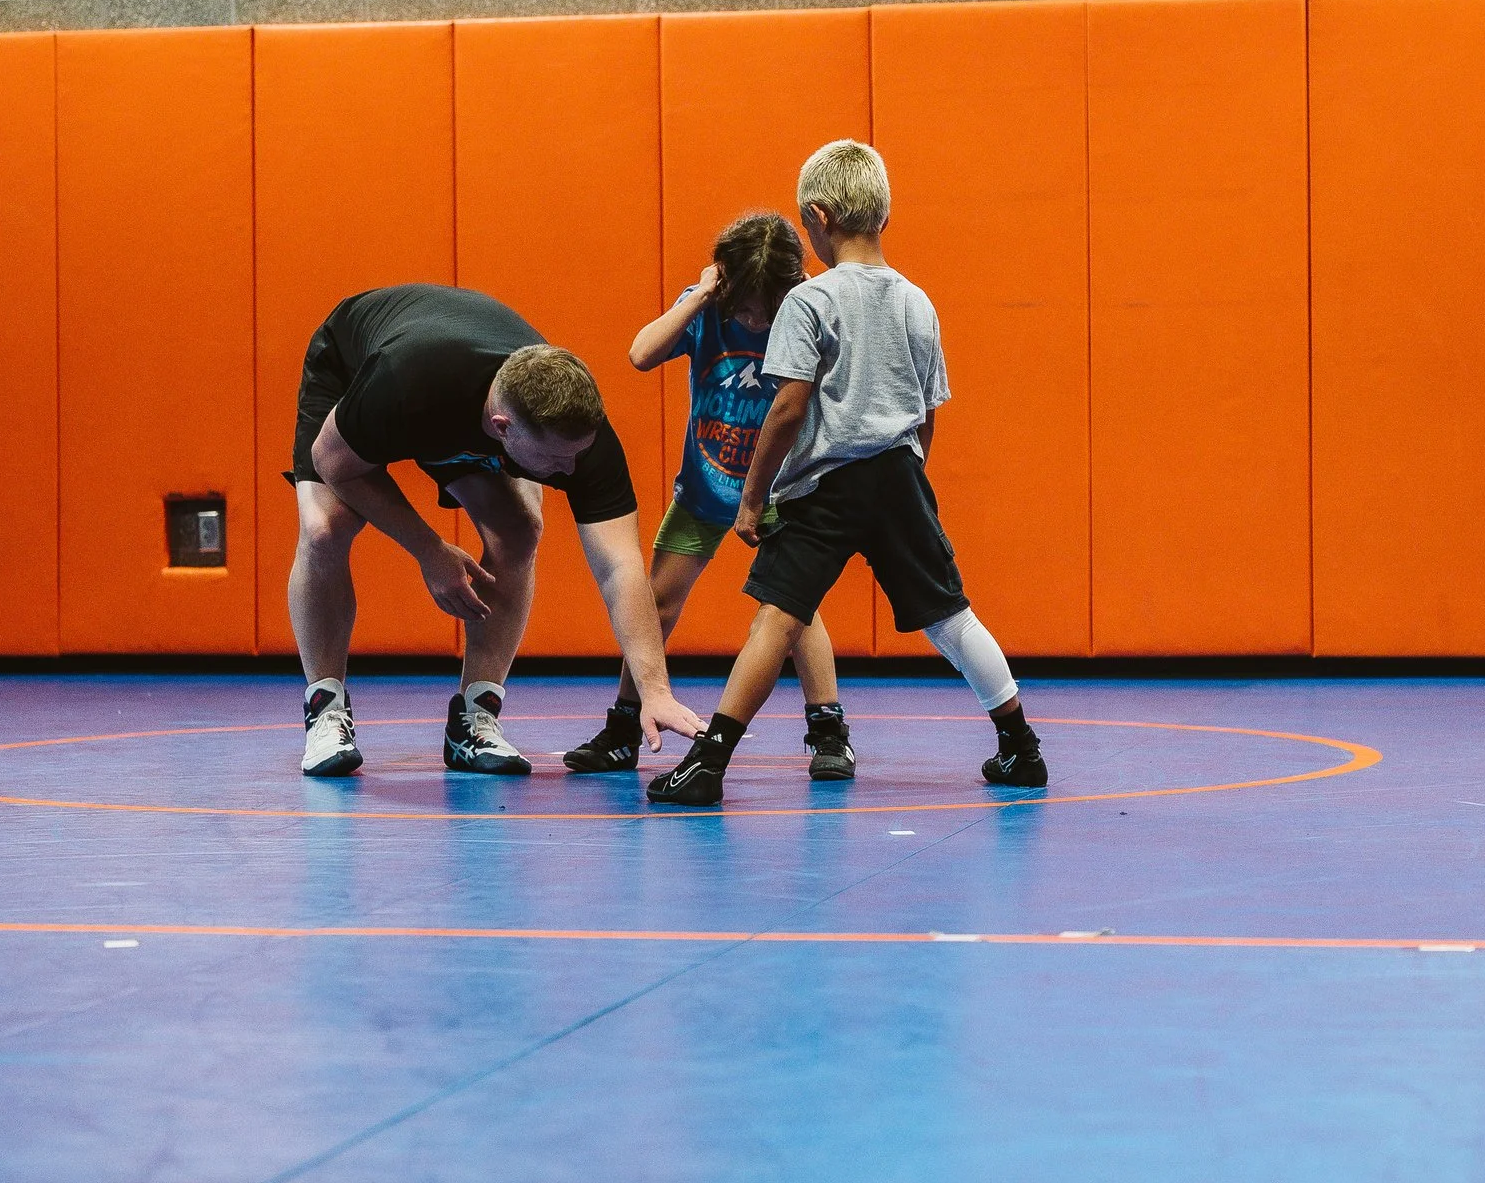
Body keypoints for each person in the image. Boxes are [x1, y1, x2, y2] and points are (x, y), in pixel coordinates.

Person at [644, 140, 1049, 807]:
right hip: (897, 475)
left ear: (817, 216)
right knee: (951, 617)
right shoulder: (918, 301)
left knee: (777, 620)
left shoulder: (810, 302)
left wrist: (752, 499)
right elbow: (927, 411)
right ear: (884, 216)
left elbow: (787, 408)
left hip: (825, 486)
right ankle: (1022, 747)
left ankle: (708, 764)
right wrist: (912, 472)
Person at [286, 284, 701, 777]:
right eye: (554, 460)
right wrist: (429, 549)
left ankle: (475, 718)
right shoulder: (407, 384)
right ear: (504, 428)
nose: (569, 471)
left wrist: (654, 689)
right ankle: (326, 708)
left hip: (457, 405)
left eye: (576, 454)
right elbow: (331, 461)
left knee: (520, 530)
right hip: (360, 373)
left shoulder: (582, 441)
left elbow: (620, 566)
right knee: (324, 528)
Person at [562, 213, 851, 778]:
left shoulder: (808, 312)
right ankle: (625, 725)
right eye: (743, 309)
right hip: (706, 487)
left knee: (793, 613)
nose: (753, 321)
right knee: (654, 605)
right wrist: (700, 297)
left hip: (780, 491)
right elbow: (641, 354)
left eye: (765, 312)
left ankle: (829, 733)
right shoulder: (708, 311)